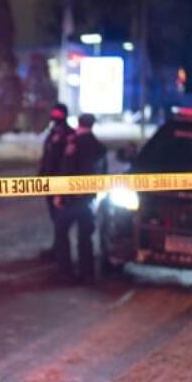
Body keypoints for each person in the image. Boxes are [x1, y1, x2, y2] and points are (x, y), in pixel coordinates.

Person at [51, 113, 107, 283]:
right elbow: (103, 173)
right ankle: (87, 273)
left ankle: (65, 272)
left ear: (78, 124)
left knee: (61, 232)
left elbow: (66, 170)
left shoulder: (74, 144)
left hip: (71, 198)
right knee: (85, 237)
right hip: (88, 199)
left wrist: (59, 194)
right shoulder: (99, 147)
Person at [37, 103, 75, 261]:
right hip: (48, 181)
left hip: (59, 182)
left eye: (58, 113)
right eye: (53, 112)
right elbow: (47, 156)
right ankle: (57, 247)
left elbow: (67, 161)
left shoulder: (69, 134)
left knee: (61, 218)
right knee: (54, 217)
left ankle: (61, 251)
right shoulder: (52, 132)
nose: (54, 116)